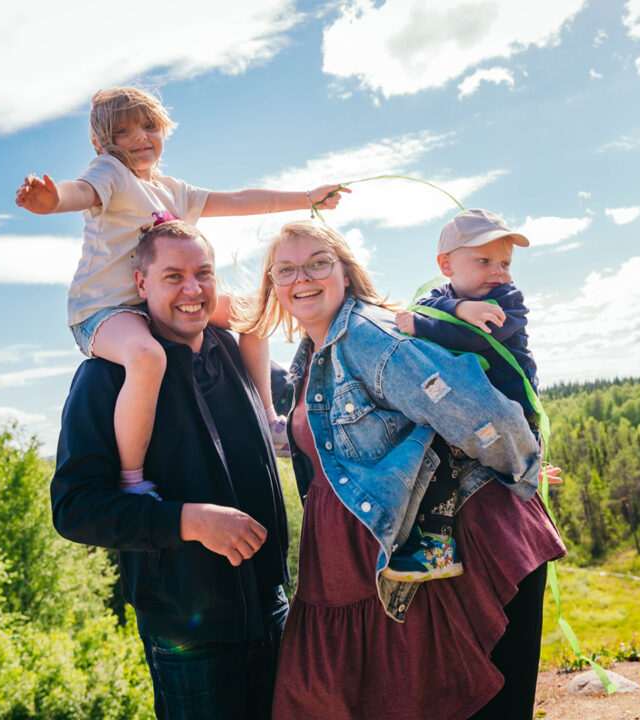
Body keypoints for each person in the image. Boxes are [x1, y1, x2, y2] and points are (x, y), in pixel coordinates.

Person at [235, 220, 567, 720]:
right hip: (359, 559)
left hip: (461, 550)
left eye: (319, 263)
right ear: (273, 286)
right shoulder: (313, 353)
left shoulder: (371, 336)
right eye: (286, 269)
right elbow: (332, 441)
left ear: (345, 272)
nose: (303, 277)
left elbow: (489, 416)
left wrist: (523, 471)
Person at [17, 86, 345, 498]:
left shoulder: (171, 190)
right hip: (104, 311)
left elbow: (240, 199)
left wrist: (306, 198)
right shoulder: (110, 173)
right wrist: (51, 201)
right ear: (102, 144)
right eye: (123, 132)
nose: (140, 137)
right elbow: (78, 192)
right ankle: (132, 480)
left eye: (149, 126)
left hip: (157, 303)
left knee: (252, 313)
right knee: (147, 356)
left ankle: (266, 417)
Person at [51, 220, 290, 720]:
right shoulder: (106, 376)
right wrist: (189, 521)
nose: (192, 289)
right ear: (141, 284)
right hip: (186, 635)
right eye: (173, 276)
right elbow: (74, 509)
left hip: (275, 611)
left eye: (203, 273)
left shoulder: (235, 350)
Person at [386, 208, 543, 581]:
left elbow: (475, 336)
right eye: (483, 260)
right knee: (433, 452)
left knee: (446, 453)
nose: (498, 272)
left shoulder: (508, 300)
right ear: (446, 265)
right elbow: (421, 304)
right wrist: (458, 306)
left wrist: (426, 326)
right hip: (468, 408)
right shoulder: (438, 297)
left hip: (513, 410)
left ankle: (437, 547)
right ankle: (427, 538)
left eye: (505, 262)